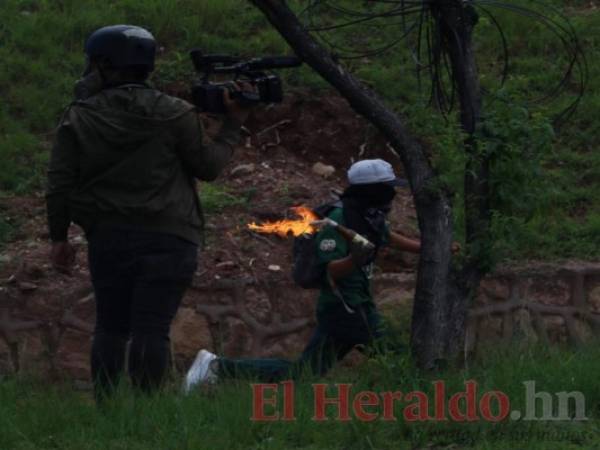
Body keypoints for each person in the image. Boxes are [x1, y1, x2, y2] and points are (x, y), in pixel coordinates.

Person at [46, 25, 251, 399]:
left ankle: (108, 410)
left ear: (105, 65)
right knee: (152, 328)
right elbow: (208, 167)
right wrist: (233, 125)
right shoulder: (175, 113)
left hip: (109, 237)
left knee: (110, 327)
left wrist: (58, 238)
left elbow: (59, 183)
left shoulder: (79, 115)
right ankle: (147, 413)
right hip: (171, 238)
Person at [184, 159, 426, 391]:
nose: (392, 195)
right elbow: (330, 269)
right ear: (372, 191)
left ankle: (217, 367)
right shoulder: (339, 219)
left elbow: (388, 237)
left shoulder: (369, 216)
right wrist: (356, 259)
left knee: (302, 373)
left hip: (352, 307)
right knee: (399, 358)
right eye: (387, 188)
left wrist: (428, 247)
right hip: (347, 309)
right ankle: (417, 401)